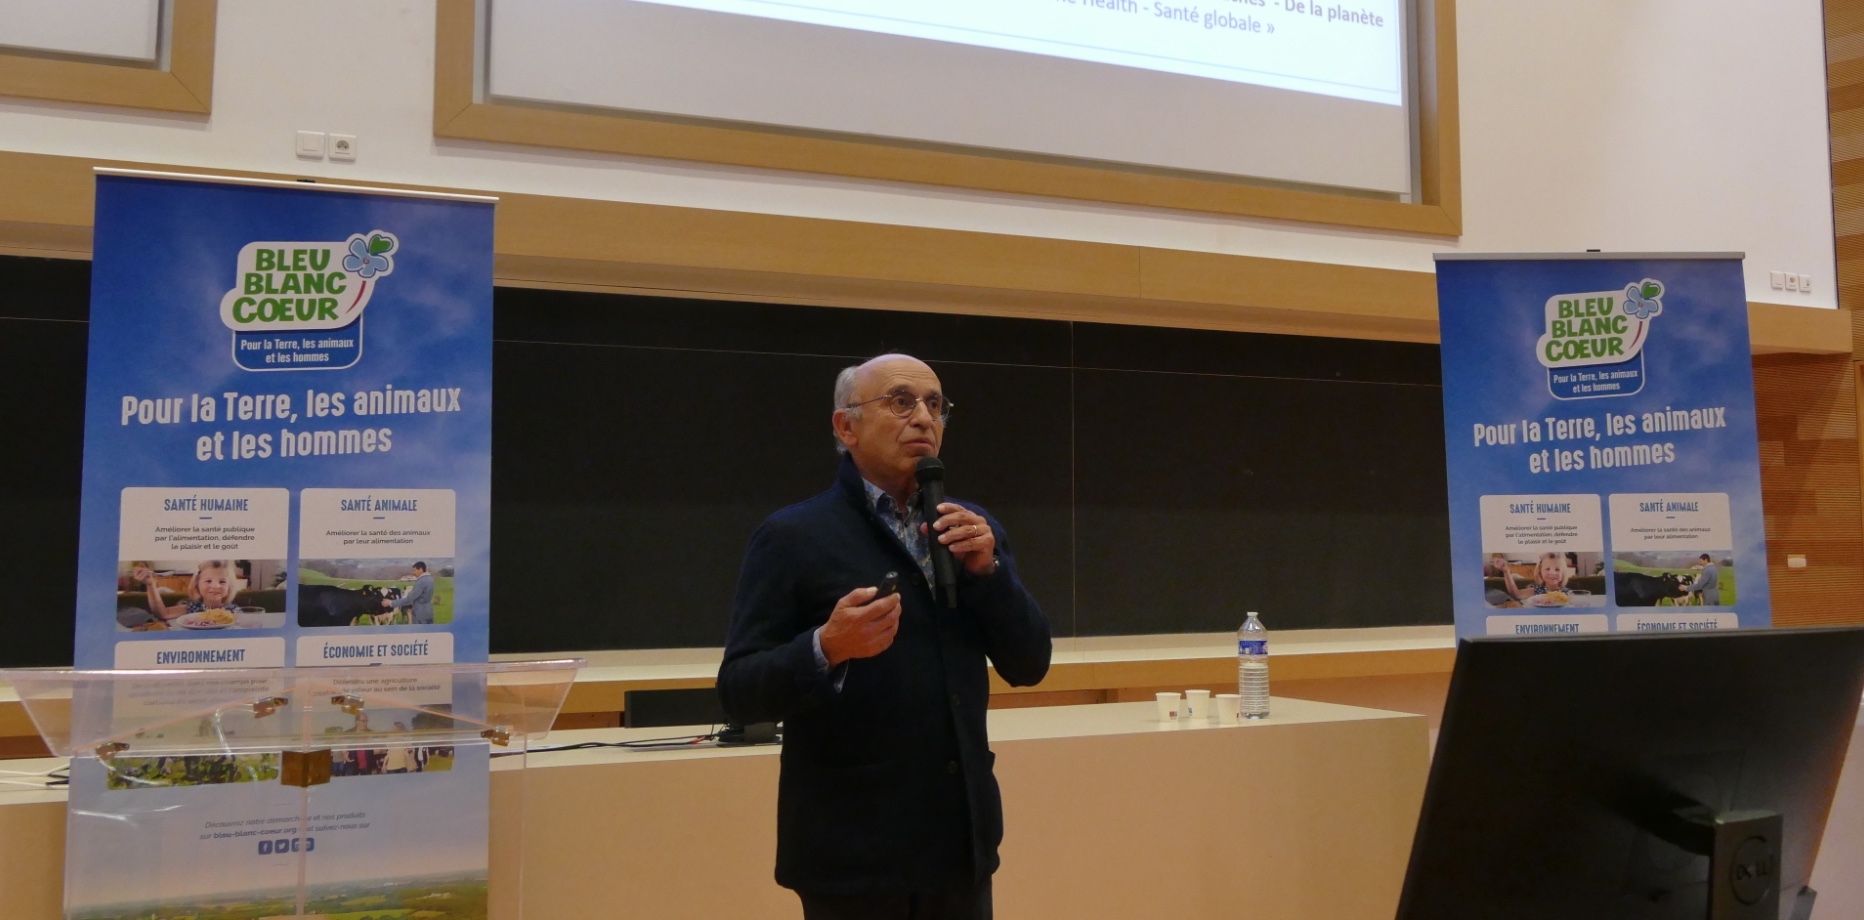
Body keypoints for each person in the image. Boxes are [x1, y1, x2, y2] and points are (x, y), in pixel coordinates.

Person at [718, 353, 1051, 920]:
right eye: (900, 402)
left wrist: (989, 576)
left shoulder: (973, 530)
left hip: (958, 848)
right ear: (846, 426)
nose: (924, 417)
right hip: (853, 855)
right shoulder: (793, 537)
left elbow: (1029, 663)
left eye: (935, 404)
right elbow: (739, 689)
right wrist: (826, 648)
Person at [132, 560, 236, 623]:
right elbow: (163, 614)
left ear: (229, 586)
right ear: (197, 584)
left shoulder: (234, 610)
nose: (215, 586)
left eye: (222, 581)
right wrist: (150, 584)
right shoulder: (193, 608)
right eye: (208, 581)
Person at [1498, 552, 1571, 603]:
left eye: (1557, 569)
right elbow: (1516, 594)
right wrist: (1506, 571)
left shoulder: (1568, 593)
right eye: (1547, 569)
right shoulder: (1536, 590)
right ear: (1540, 572)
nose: (1552, 573)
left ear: (1563, 573)